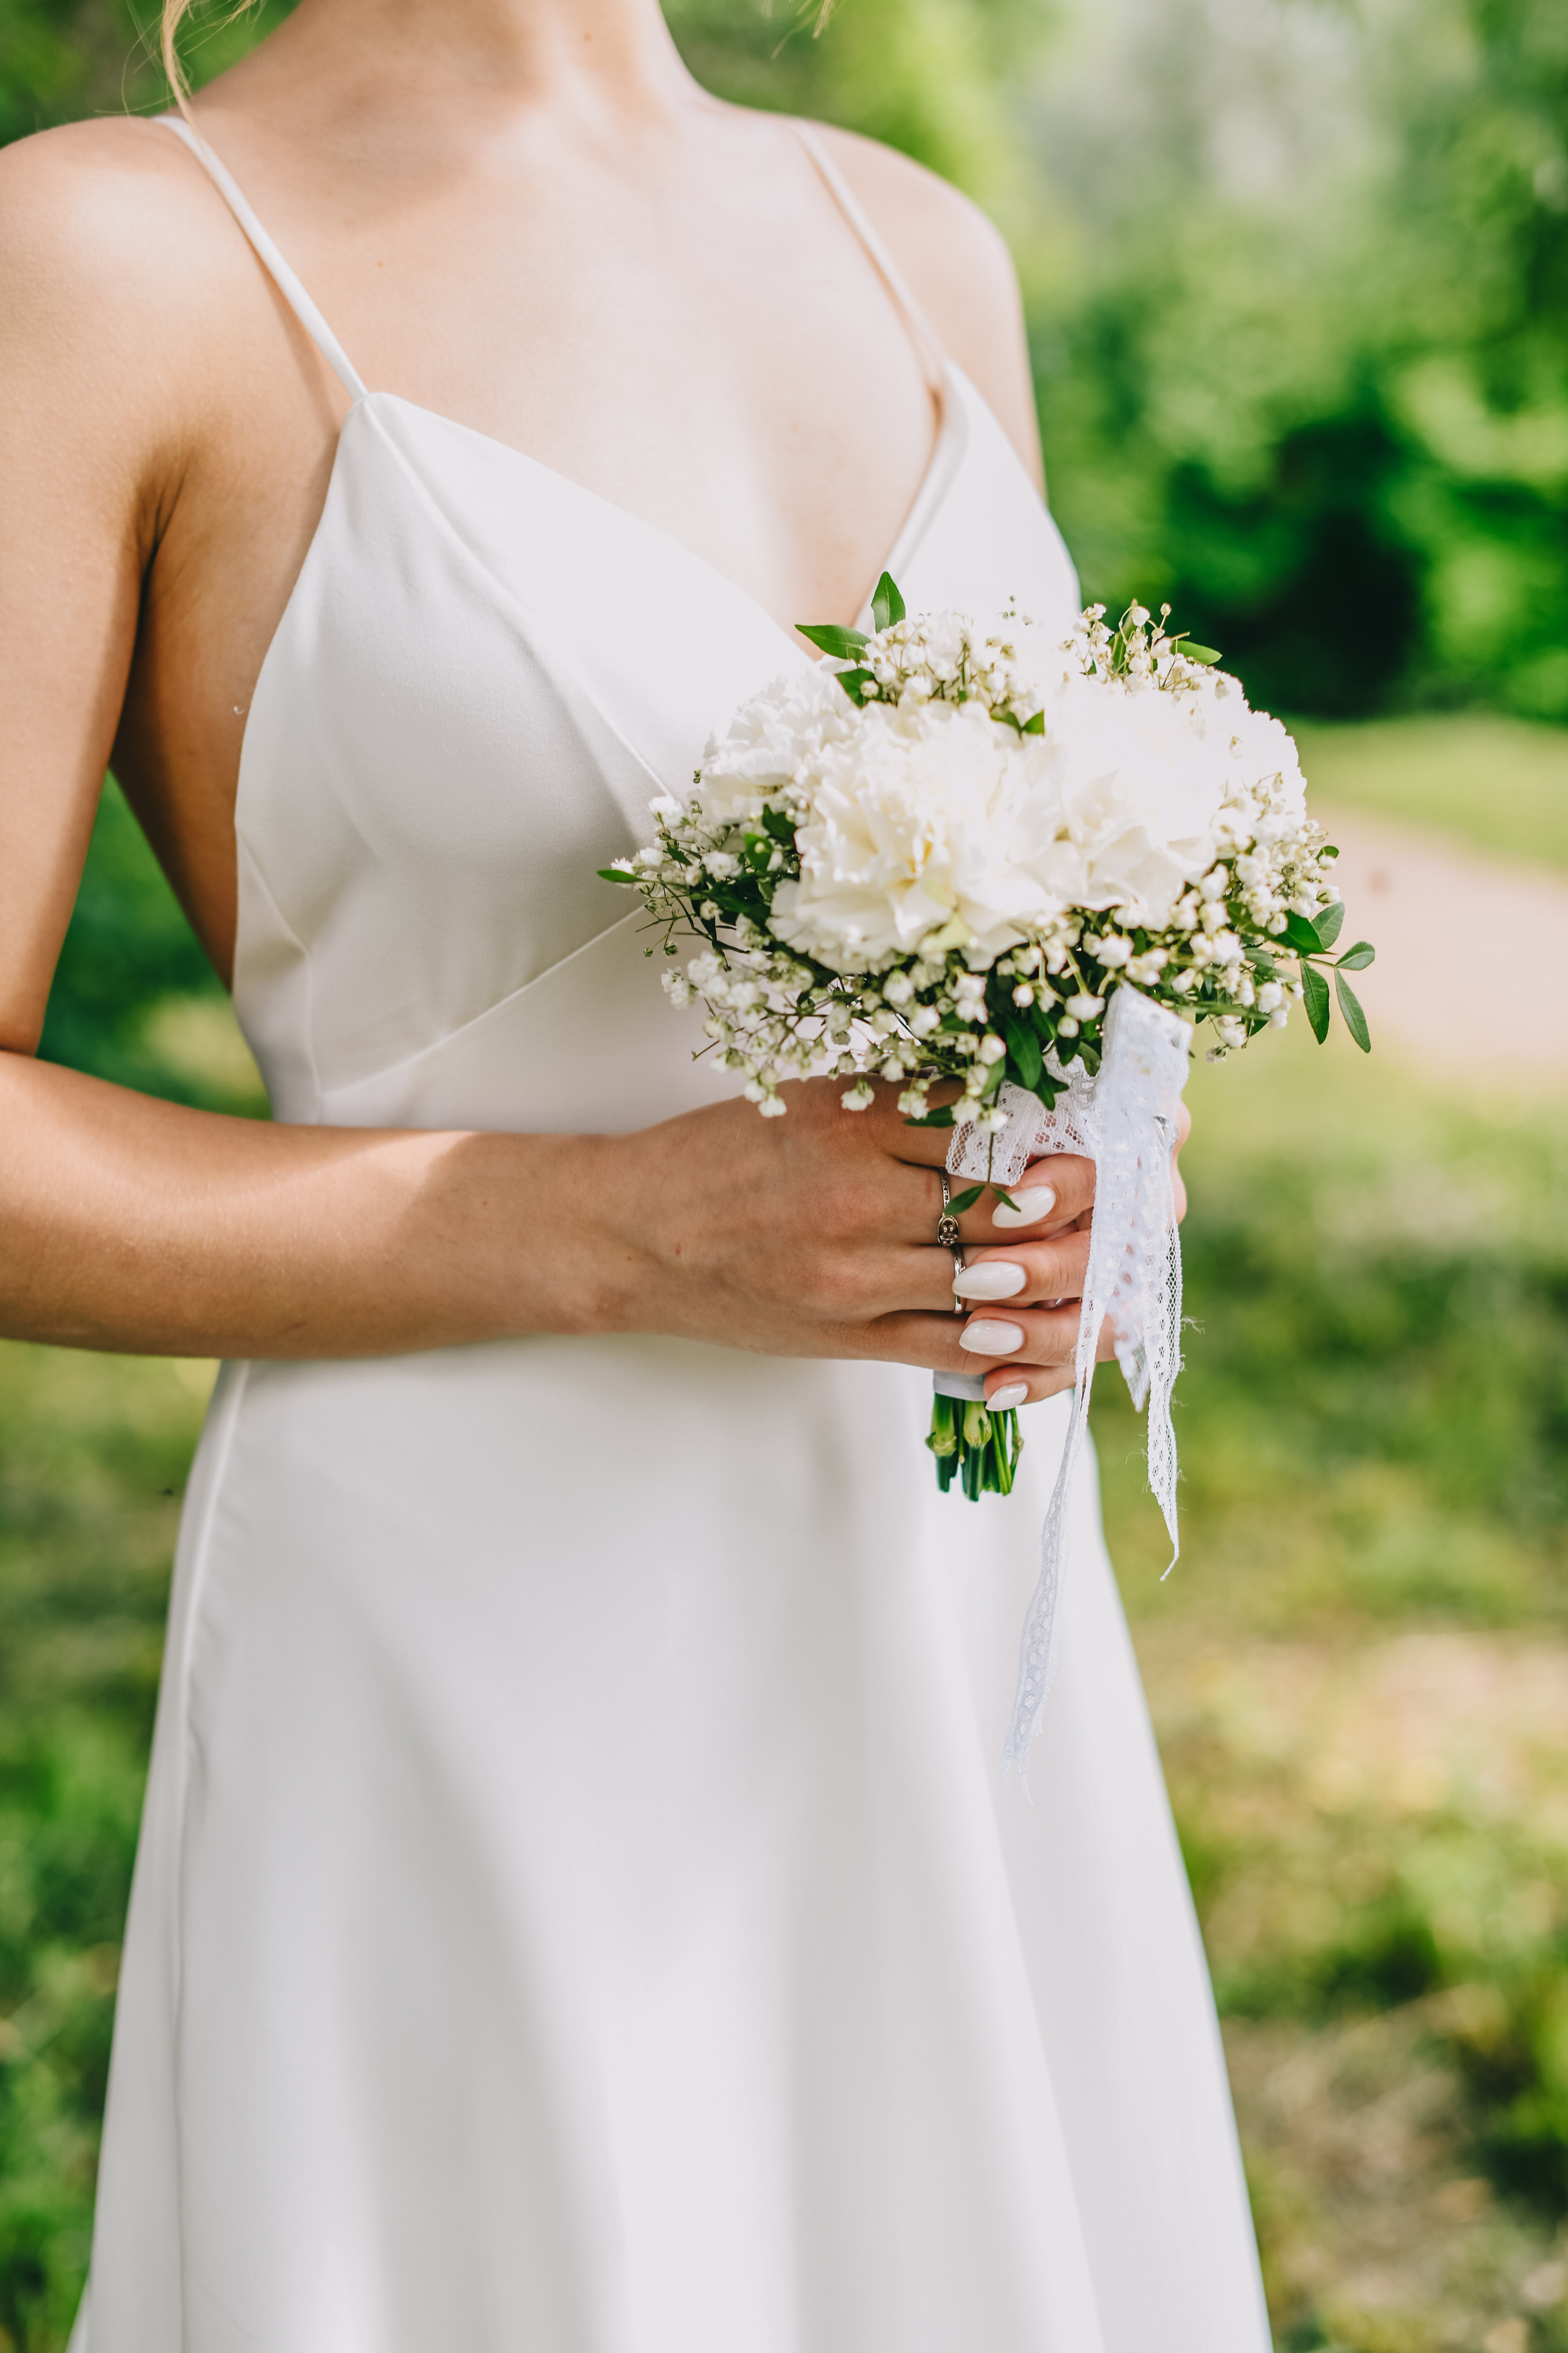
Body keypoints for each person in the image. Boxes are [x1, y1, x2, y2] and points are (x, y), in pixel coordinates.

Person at [0, 1, 1270, 2343]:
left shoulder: (914, 245)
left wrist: (1099, 1163)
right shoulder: (114, 259)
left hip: (940, 1603)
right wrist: (604, 1227)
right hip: (466, 1645)